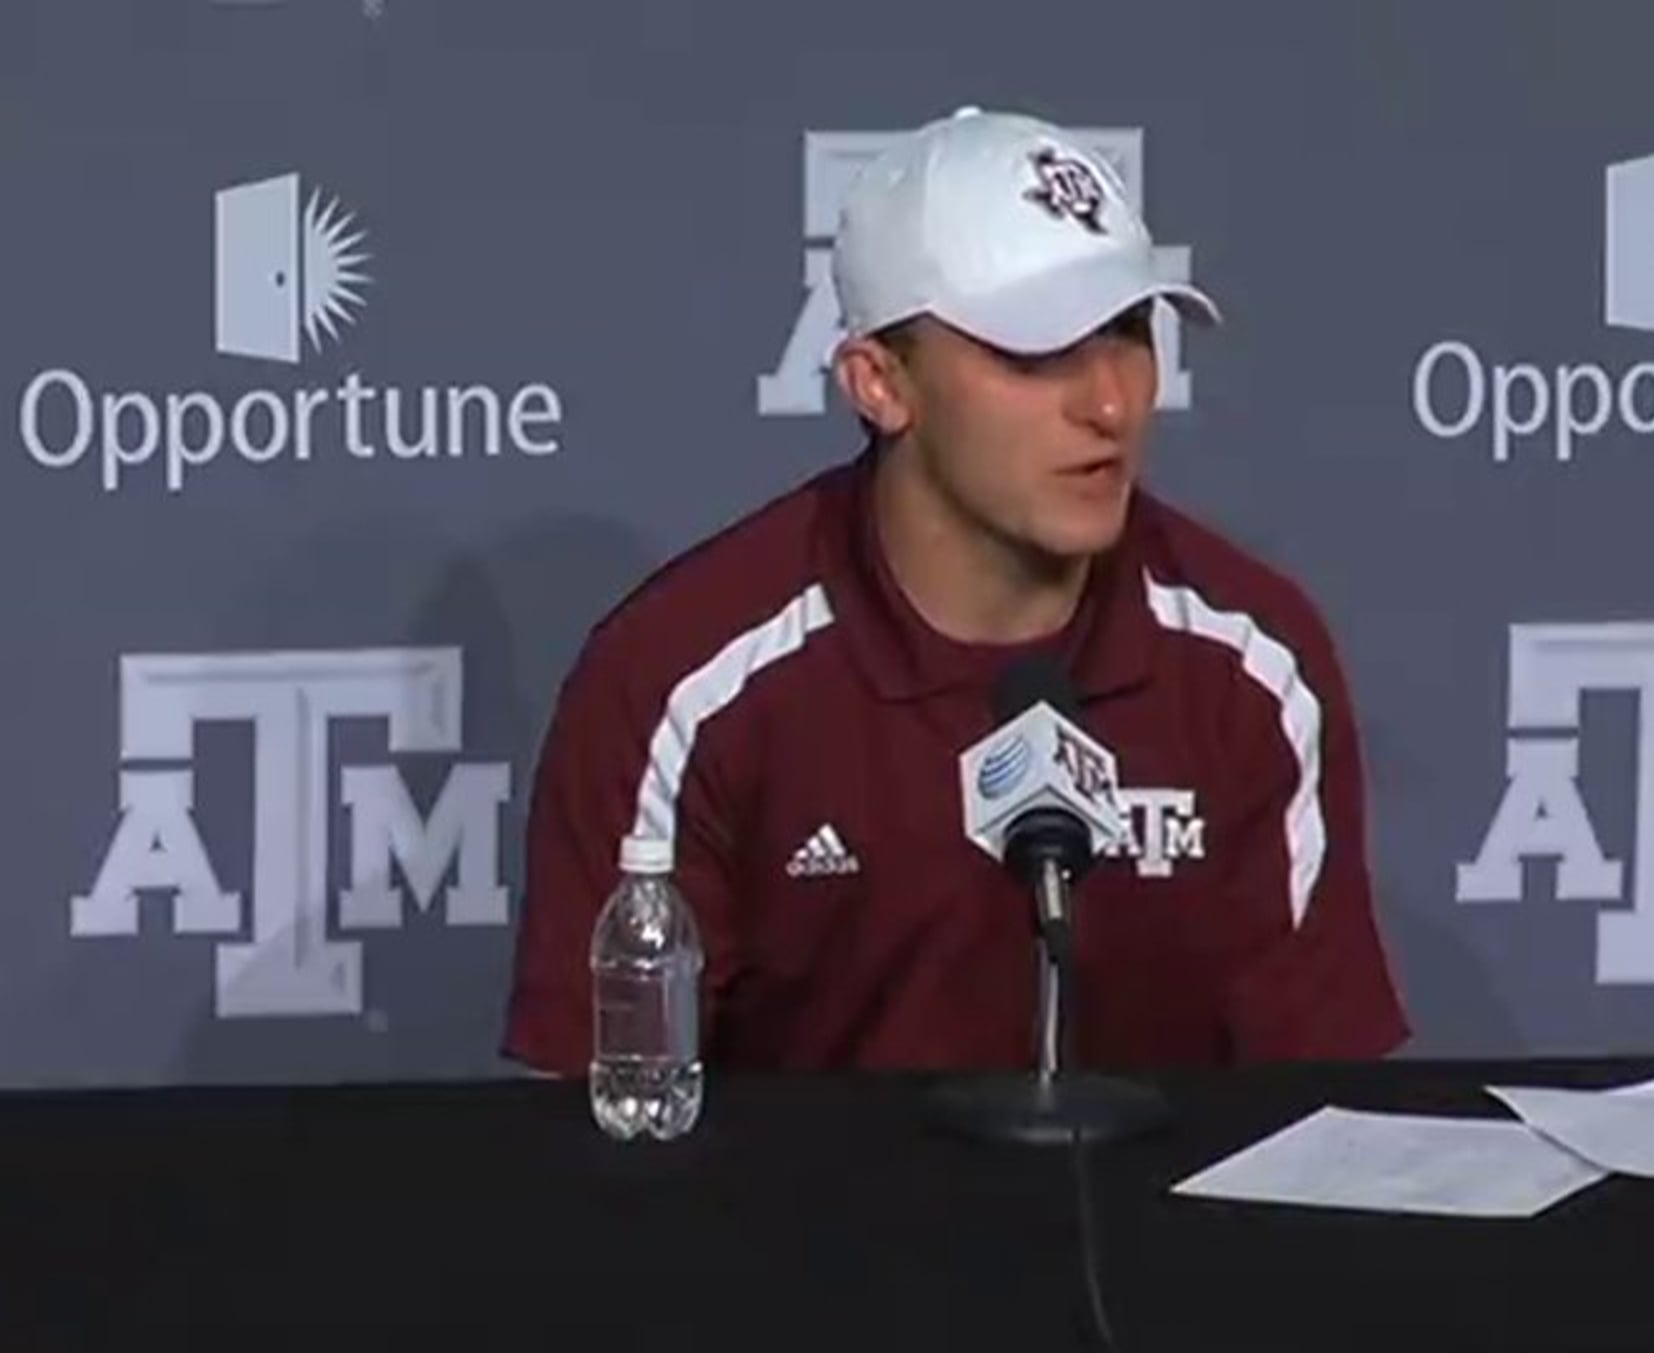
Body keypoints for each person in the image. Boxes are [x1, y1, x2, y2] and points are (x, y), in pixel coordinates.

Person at [502, 106, 1407, 1075]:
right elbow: (610, 1121)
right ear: (880, 384)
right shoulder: (682, 683)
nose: (1110, 403)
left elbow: (1323, 1110)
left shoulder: (1253, 664)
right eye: (1038, 354)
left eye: (1129, 332)